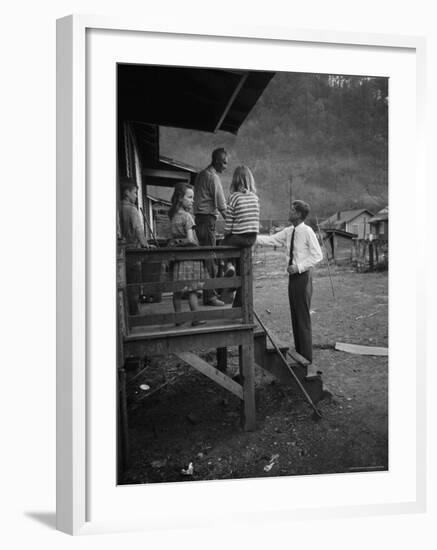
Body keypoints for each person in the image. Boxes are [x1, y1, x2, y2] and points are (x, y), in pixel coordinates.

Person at [257, 200, 323, 377]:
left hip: (302, 277)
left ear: (300, 214)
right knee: (295, 316)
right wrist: (251, 237)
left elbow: (318, 255)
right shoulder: (288, 231)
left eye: (292, 210)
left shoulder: (307, 231)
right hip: (292, 279)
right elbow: (270, 239)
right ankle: (300, 355)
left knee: (302, 317)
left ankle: (307, 359)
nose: (289, 211)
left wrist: (299, 267)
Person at [169, 183, 208, 327]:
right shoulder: (187, 217)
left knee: (177, 291)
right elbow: (191, 239)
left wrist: (177, 242)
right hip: (190, 259)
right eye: (190, 197)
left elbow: (173, 238)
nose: (192, 200)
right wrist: (185, 241)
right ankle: (196, 318)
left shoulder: (173, 216)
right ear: (180, 198)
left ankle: (178, 318)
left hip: (178, 260)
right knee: (192, 290)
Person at [193, 147, 228, 307]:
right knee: (210, 258)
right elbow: (222, 205)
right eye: (224, 162)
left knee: (206, 257)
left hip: (199, 219)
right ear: (216, 161)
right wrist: (233, 222)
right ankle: (210, 296)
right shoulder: (213, 177)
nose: (226, 166)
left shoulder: (201, 174)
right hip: (207, 220)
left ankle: (208, 291)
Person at [222, 166, 260, 307]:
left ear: (235, 181)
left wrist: (226, 234)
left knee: (223, 244)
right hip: (251, 239)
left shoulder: (234, 197)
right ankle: (238, 305)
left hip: (238, 238)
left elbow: (229, 221)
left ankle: (229, 265)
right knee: (244, 272)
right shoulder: (255, 197)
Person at [119, 178, 150, 248]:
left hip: (121, 248)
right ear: (127, 192)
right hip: (133, 248)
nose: (136, 196)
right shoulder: (132, 209)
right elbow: (138, 229)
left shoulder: (118, 207)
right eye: (135, 193)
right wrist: (145, 244)